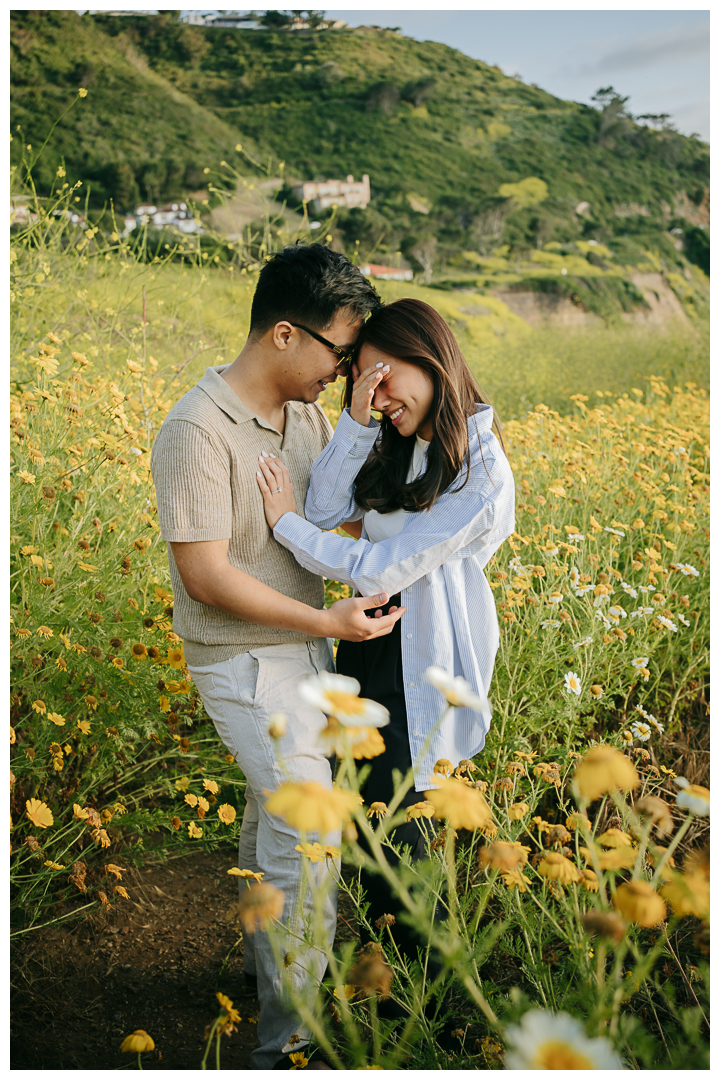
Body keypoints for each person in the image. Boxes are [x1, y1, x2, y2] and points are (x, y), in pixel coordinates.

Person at [150, 244, 406, 1071]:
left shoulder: (305, 416)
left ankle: (266, 996)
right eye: (340, 351)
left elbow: (329, 513)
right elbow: (207, 574)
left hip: (305, 649)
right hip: (248, 661)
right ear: (287, 335)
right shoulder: (196, 428)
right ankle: (289, 1046)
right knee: (309, 840)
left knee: (276, 834)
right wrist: (322, 614)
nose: (344, 369)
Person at [256, 297, 515, 971]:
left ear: (427, 359)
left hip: (420, 655)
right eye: (360, 378)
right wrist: (356, 419)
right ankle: (395, 977)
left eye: (382, 375)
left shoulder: (480, 470)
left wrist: (286, 527)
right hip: (368, 643)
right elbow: (327, 507)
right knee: (371, 819)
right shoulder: (400, 441)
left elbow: (380, 563)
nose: (376, 392)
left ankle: (422, 997)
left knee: (398, 828)